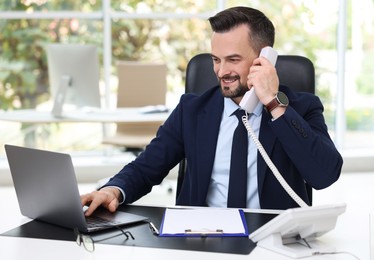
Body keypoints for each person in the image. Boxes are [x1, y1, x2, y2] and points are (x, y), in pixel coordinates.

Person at [81, 6, 343, 216]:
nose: (221, 71)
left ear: (264, 59)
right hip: (201, 238)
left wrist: (273, 104)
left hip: (273, 241)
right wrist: (113, 190)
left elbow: (325, 175)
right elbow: (146, 167)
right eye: (216, 60)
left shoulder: (301, 107)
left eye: (233, 59)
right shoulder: (192, 110)